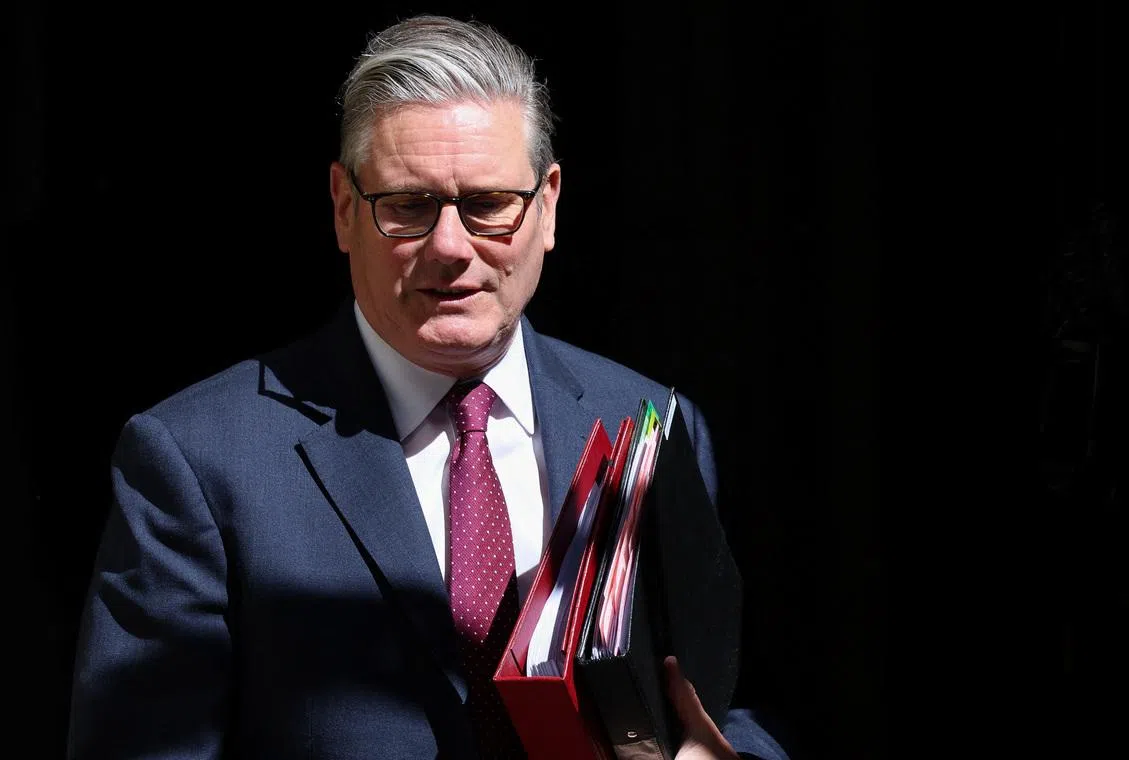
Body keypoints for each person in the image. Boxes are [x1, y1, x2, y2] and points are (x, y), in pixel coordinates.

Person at [67, 14, 788, 760]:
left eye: (486, 205)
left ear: (547, 206)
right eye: (408, 206)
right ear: (345, 209)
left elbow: (735, 701)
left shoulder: (653, 423)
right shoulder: (200, 460)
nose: (450, 246)